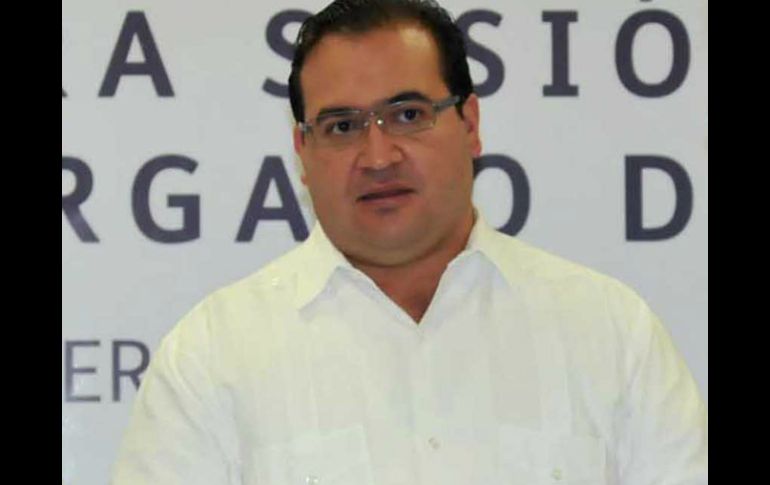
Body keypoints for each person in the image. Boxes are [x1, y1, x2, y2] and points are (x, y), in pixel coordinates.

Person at [112, 1, 707, 484]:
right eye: (342, 126)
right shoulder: (211, 356)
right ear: (303, 151)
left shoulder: (609, 331)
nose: (377, 157)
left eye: (408, 115)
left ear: (470, 124)